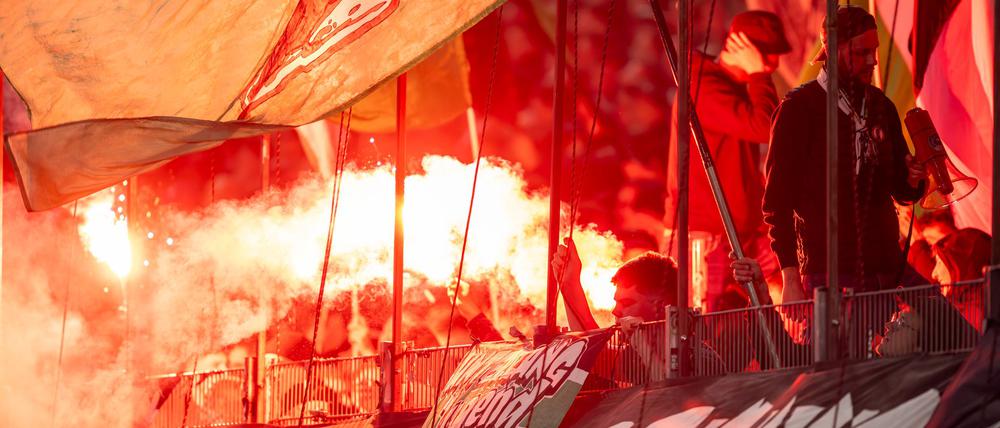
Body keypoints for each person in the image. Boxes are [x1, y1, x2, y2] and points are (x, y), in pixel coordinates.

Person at [762, 6, 928, 302]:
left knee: (941, 323)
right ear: (834, 49)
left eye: (874, 51)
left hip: (887, 263)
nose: (872, 61)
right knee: (838, 347)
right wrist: (789, 277)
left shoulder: (881, 106)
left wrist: (913, 178)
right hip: (828, 269)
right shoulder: (798, 110)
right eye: (861, 52)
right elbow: (777, 203)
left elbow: (900, 190)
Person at [664, 10, 791, 313]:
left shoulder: (730, 86)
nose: (772, 64)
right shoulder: (702, 85)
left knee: (750, 317)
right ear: (743, 46)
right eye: (767, 55)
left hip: (735, 231)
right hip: (704, 236)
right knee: (706, 323)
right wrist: (759, 75)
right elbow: (765, 127)